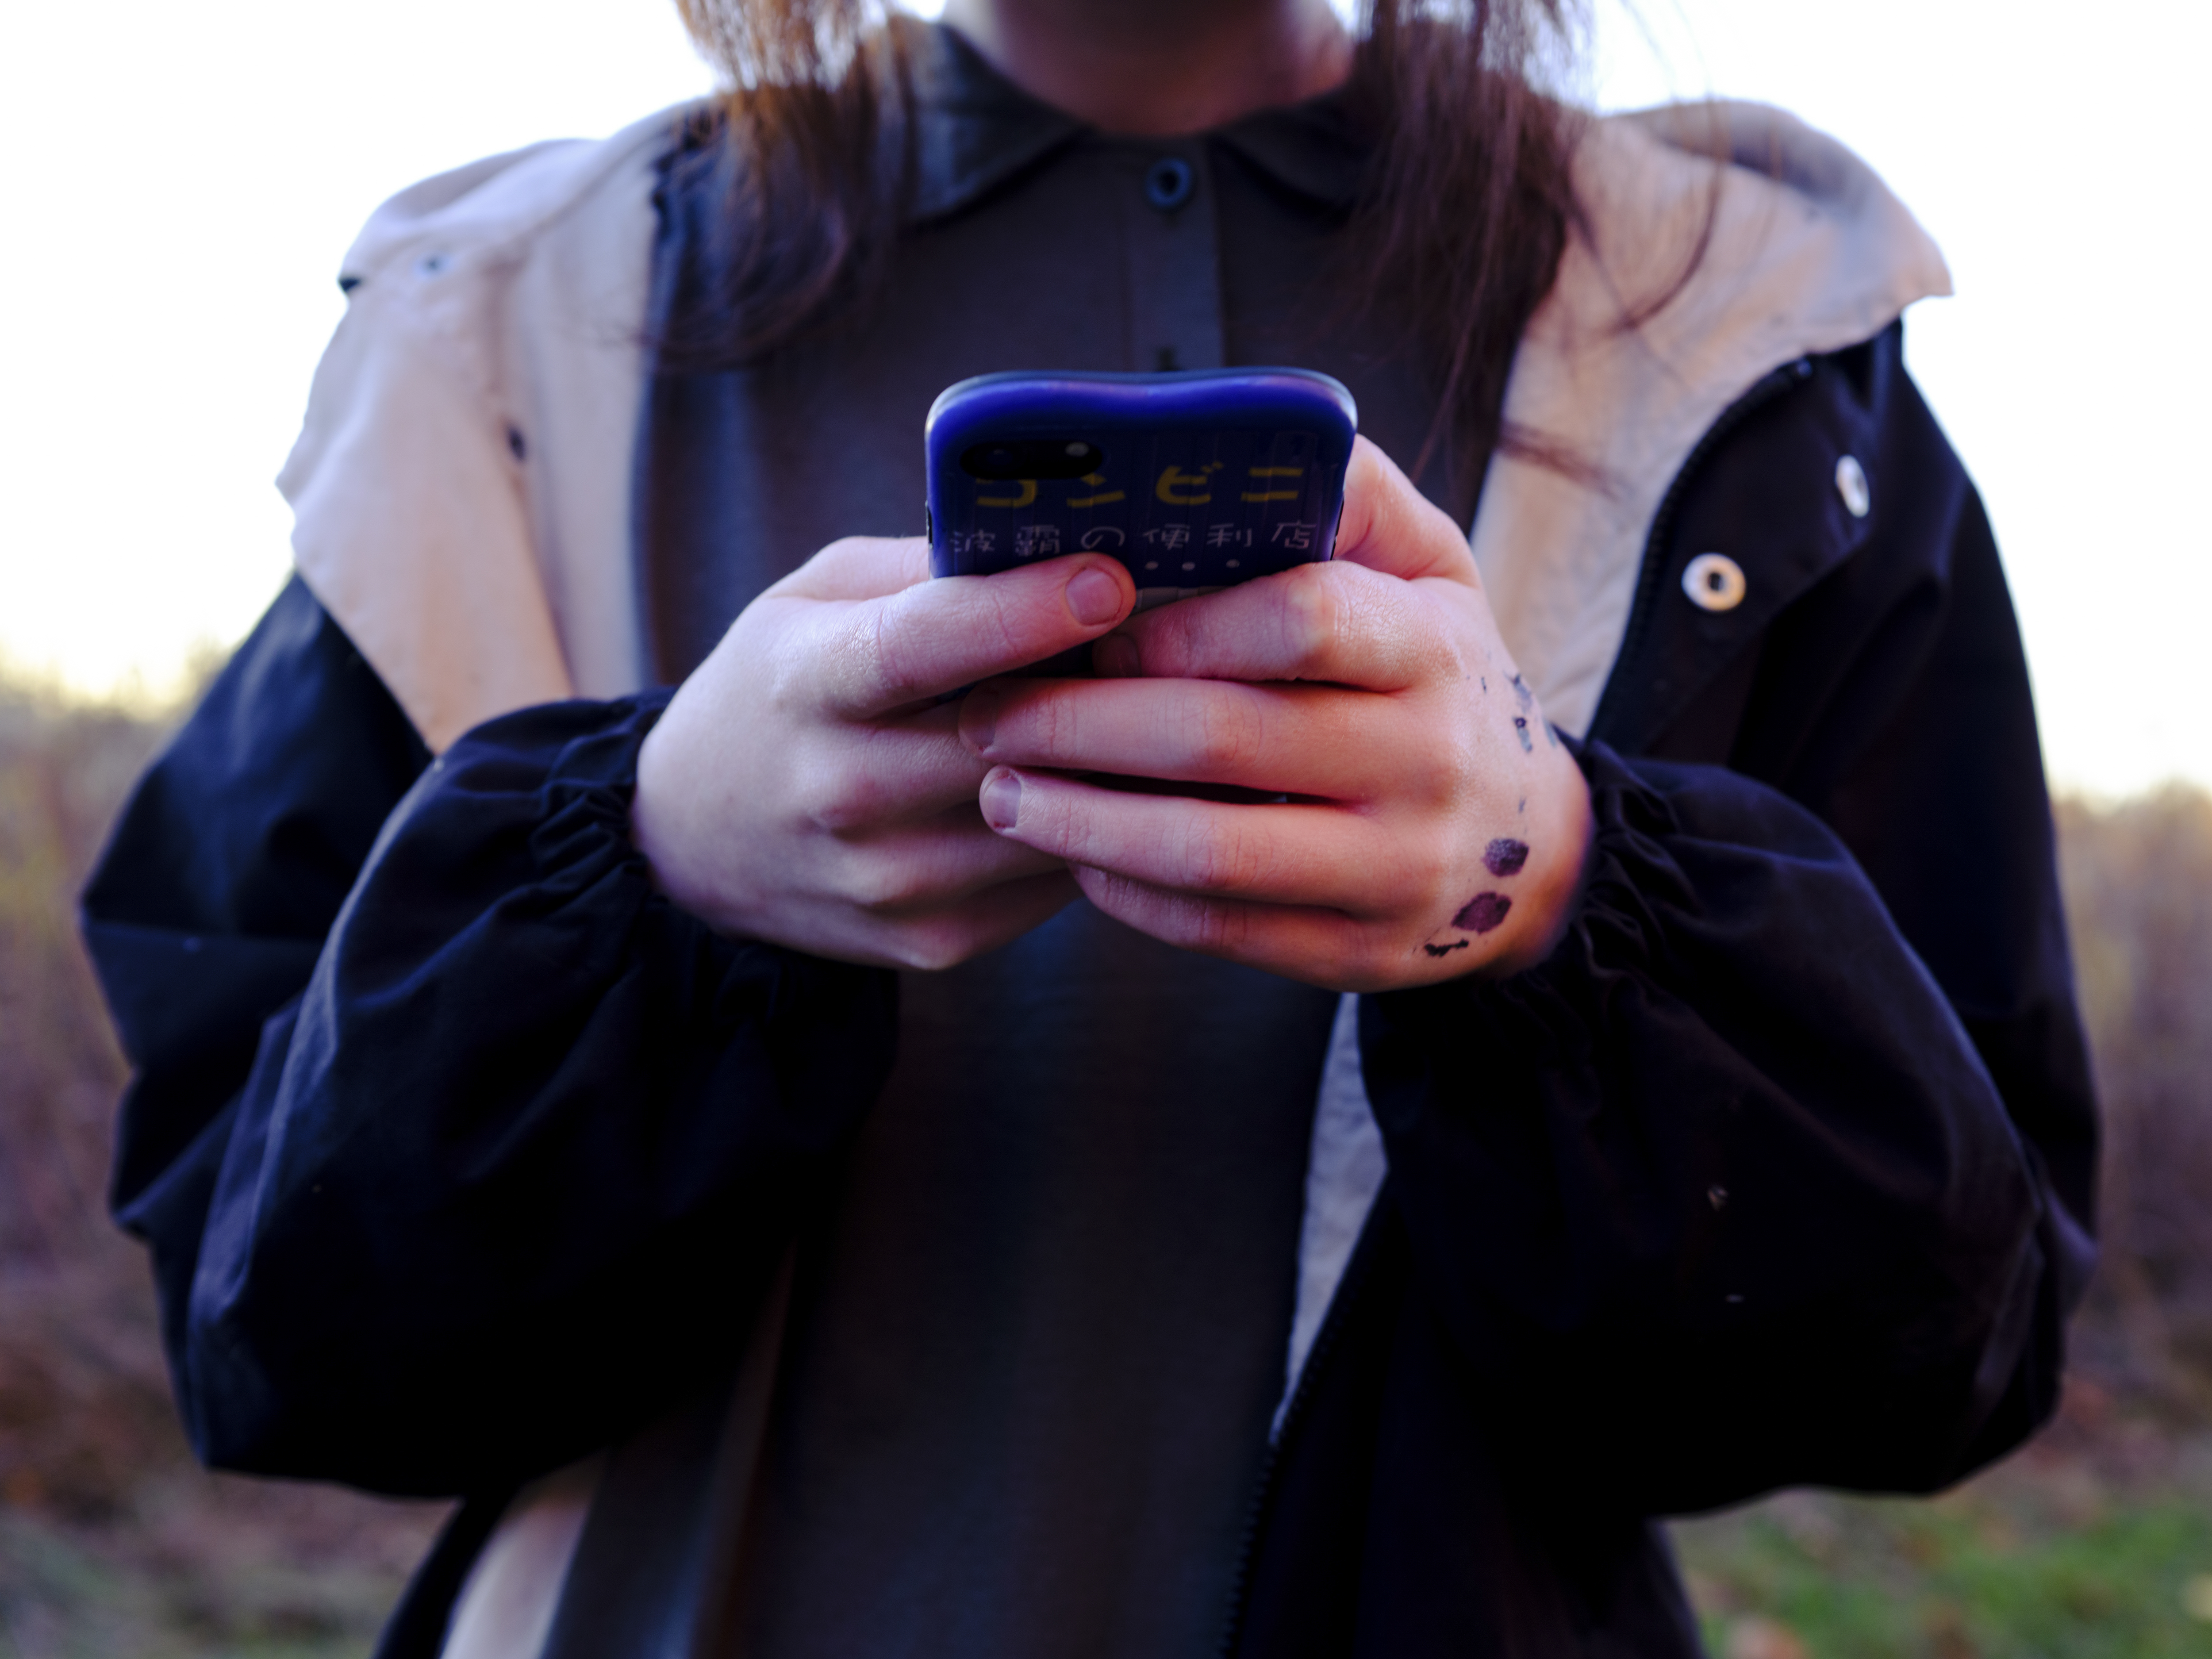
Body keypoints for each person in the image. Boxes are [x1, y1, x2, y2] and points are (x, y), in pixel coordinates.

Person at [81, 0, 2098, 1653]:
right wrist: (653, 867)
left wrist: (1556, 887)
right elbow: (277, 1335)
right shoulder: (497, 328)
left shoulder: (1742, 332)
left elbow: (1936, 1353)